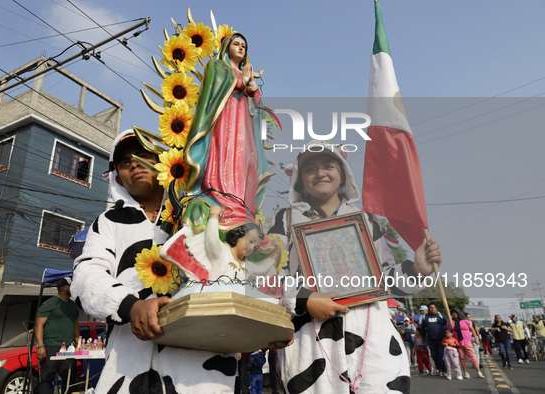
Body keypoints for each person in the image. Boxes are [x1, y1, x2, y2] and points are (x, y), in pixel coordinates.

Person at [72, 130, 238, 394]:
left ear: (164, 162)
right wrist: (130, 306)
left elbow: (235, 269)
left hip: (203, 365)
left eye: (143, 156)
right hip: (127, 366)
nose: (134, 164)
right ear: (117, 177)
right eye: (124, 162)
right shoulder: (107, 222)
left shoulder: (201, 212)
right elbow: (85, 276)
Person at [268, 141, 442, 393]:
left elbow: (386, 281)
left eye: (329, 166)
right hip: (311, 341)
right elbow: (266, 277)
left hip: (372, 339)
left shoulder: (366, 221)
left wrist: (417, 269)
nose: (320, 174)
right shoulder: (284, 220)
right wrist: (305, 300)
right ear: (299, 178)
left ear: (342, 173)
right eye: (310, 169)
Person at [183, 33, 271, 231]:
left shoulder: (245, 74)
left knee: (243, 161)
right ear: (226, 47)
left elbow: (257, 104)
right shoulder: (216, 66)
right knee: (224, 155)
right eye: (236, 44)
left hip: (244, 127)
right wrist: (243, 81)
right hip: (223, 123)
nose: (241, 48)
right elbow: (217, 87)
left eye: (244, 46)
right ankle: (219, 194)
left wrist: (251, 85)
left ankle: (239, 201)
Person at [35, 277, 79, 394]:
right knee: (46, 379)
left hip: (69, 348)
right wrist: (40, 346)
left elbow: (75, 324)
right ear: (63, 288)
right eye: (71, 285)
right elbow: (39, 325)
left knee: (71, 379)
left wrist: (78, 342)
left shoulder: (73, 305)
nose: (73, 288)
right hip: (51, 346)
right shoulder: (50, 303)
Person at [446, 308, 484, 378]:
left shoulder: (466, 321)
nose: (454, 314)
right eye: (452, 313)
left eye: (456, 313)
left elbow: (472, 329)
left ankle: (479, 372)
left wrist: (476, 338)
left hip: (467, 341)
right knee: (462, 357)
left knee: (473, 356)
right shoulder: (450, 322)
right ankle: (466, 373)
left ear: (459, 313)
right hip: (457, 343)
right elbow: (448, 332)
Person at [420, 302, 448, 377]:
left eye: (433, 307)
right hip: (431, 340)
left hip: (441, 339)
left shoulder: (441, 315)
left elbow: (448, 325)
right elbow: (422, 329)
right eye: (430, 308)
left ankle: (444, 370)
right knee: (434, 356)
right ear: (428, 309)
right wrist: (423, 338)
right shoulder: (425, 317)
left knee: (441, 355)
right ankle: (439, 369)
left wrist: (448, 336)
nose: (432, 309)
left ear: (436, 308)